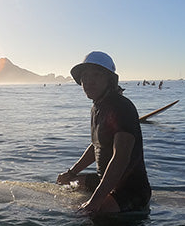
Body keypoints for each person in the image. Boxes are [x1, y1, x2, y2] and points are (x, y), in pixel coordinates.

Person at [57, 51, 152, 216]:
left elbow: (121, 158)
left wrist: (94, 203)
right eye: (84, 76)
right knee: (68, 184)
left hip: (130, 189)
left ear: (109, 79)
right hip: (104, 180)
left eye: (96, 74)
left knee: (87, 217)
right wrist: (72, 172)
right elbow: (96, 146)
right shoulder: (97, 107)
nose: (88, 80)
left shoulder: (121, 107)